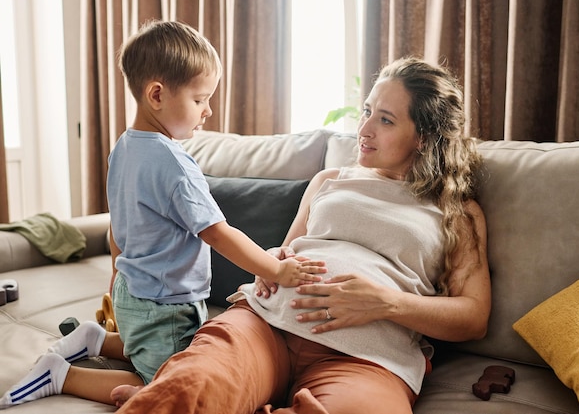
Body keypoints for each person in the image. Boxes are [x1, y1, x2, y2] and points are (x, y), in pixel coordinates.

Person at [110, 56, 492, 414]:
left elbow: (473, 318)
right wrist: (273, 259)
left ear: (423, 137)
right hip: (265, 326)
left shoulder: (456, 212)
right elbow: (287, 250)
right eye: (367, 111)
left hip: (365, 359)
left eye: (386, 120)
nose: (364, 129)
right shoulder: (329, 180)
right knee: (189, 389)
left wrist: (386, 303)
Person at [0, 20, 324, 410]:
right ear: (157, 94)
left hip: (132, 292)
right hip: (165, 304)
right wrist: (276, 271)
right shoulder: (174, 163)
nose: (208, 111)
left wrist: (117, 278)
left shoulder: (123, 147)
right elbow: (218, 233)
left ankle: (95, 340)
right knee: (171, 383)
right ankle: (62, 374)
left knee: (144, 345)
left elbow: (118, 227)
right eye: (200, 99)